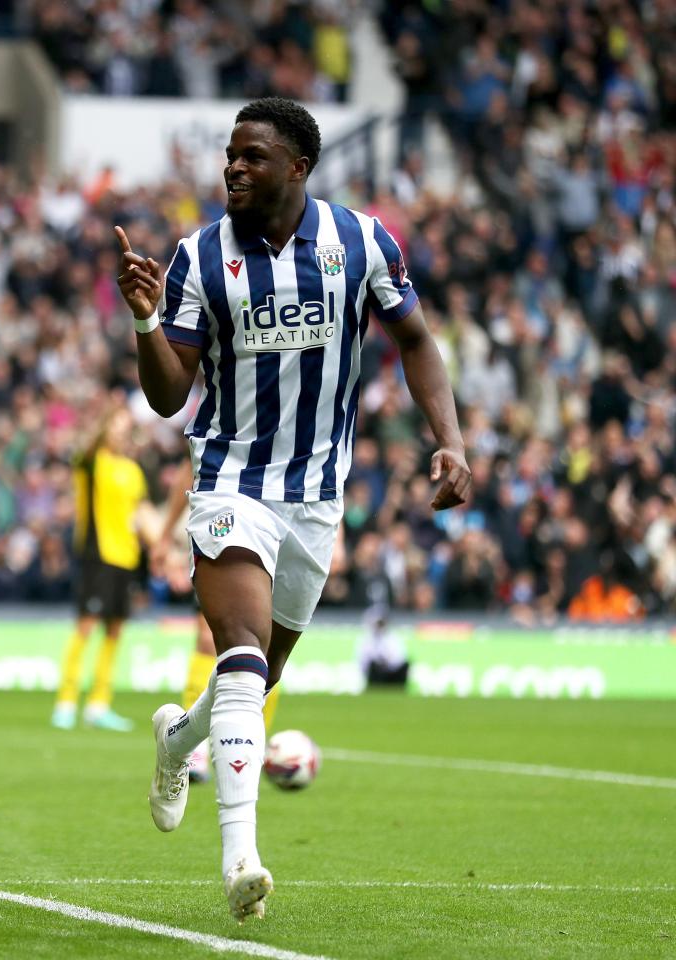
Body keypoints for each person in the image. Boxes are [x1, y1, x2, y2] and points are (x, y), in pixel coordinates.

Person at [115, 98, 471, 921]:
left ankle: (176, 742)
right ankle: (242, 856)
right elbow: (171, 394)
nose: (234, 168)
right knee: (239, 650)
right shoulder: (201, 256)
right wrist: (143, 318)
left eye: (253, 157)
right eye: (229, 156)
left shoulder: (361, 243)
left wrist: (451, 440)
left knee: (257, 674)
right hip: (231, 481)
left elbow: (416, 340)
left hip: (315, 498)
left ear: (298, 167)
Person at [154, 459, 283, 782]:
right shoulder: (220, 411)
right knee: (206, 636)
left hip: (286, 517)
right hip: (229, 511)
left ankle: (252, 740)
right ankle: (192, 749)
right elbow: (188, 465)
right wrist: (165, 532)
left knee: (270, 644)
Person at [52, 405, 152, 732]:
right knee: (86, 626)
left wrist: (164, 548)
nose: (123, 432)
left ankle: (98, 704)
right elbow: (84, 448)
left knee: (115, 630)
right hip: (98, 555)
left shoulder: (133, 470)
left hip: (127, 559)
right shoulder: (93, 463)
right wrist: (103, 423)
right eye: (118, 426)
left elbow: (141, 515)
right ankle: (66, 701)